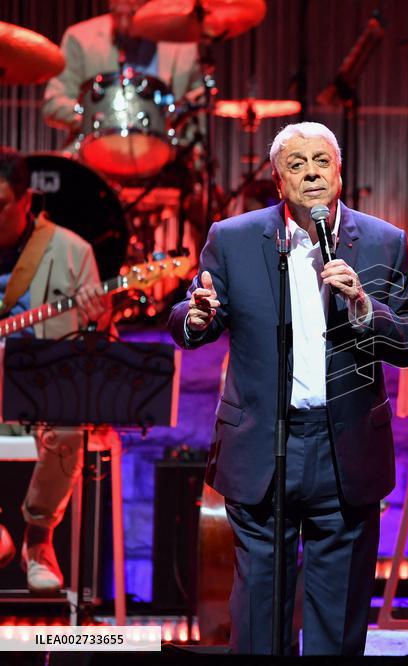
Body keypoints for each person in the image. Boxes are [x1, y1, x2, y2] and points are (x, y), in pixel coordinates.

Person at [167, 122, 408, 655]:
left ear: (339, 171)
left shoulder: (382, 241)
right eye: (296, 164)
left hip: (346, 449)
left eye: (321, 162)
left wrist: (364, 307)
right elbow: (197, 312)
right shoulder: (233, 238)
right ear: (278, 180)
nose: (311, 172)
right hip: (264, 444)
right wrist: (196, 316)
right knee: (260, 619)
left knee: (338, 620)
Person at [0, 147, 113, 593]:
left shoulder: (70, 250)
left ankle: (37, 539)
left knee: (71, 425)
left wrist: (96, 318)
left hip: (37, 395)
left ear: (27, 200)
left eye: (0, 206)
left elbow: (94, 348)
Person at [42, 0, 201, 135]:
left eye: (132, 10)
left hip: (164, 159)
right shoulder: (80, 38)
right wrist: (98, 117)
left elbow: (198, 114)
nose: (124, 14)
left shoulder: (183, 44)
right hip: (96, 157)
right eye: (117, 10)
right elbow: (54, 104)